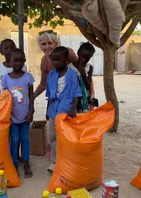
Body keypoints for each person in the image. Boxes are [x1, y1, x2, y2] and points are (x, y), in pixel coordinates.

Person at [45, 46, 82, 175]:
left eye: (58, 60)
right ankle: (56, 160)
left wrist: (73, 108)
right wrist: (47, 110)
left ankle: (66, 160)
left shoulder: (72, 75)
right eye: (53, 60)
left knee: (65, 137)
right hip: (53, 110)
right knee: (52, 136)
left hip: (66, 110)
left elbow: (77, 93)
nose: (55, 62)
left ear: (66, 60)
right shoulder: (51, 75)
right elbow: (49, 95)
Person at [1, 49, 34, 178]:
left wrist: (31, 111)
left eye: (21, 60)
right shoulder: (5, 79)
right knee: (14, 140)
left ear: (24, 61)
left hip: (25, 116)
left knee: (25, 139)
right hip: (12, 117)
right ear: (10, 62)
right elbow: (4, 98)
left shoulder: (28, 77)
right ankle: (14, 163)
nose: (18, 63)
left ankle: (26, 162)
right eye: (15, 60)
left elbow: (31, 95)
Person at [0, 39, 27, 162]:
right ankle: (8, 156)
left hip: (18, 104)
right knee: (6, 131)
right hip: (4, 105)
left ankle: (17, 156)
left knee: (17, 133)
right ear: (1, 51)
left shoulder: (22, 66)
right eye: (6, 48)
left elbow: (25, 86)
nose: (9, 50)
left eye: (12, 47)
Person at [34, 30, 89, 99]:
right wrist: (33, 96)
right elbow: (43, 84)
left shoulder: (68, 53)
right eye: (43, 44)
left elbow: (82, 72)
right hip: (58, 96)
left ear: (56, 43)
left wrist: (89, 93)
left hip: (75, 94)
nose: (47, 47)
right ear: (40, 46)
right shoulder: (44, 61)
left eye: (50, 43)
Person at [70, 42, 97, 112]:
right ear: (78, 53)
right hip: (72, 99)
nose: (83, 60)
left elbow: (88, 86)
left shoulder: (89, 67)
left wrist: (83, 74)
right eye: (82, 56)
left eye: (87, 58)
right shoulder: (70, 67)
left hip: (85, 99)